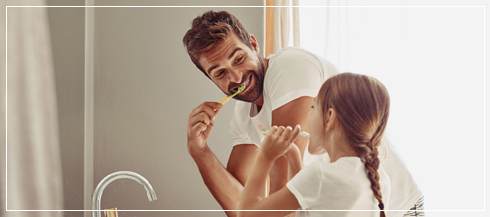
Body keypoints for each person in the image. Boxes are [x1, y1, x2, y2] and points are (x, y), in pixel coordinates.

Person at [183, 10, 423, 217]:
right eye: (219, 73)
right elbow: (242, 205)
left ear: (254, 45)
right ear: (209, 78)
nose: (236, 78)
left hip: (400, 210)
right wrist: (199, 151)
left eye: (239, 58)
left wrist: (266, 157)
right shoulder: (243, 113)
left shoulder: (289, 68)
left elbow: (263, 211)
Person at [238, 72, 391, 217]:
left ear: (329, 117)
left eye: (313, 107)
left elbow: (246, 214)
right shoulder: (379, 179)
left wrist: (266, 156)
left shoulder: (321, 175)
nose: (308, 115)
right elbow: (302, 212)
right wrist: (293, 154)